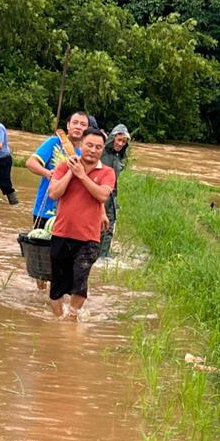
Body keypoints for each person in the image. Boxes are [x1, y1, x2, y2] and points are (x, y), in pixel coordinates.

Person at [47, 128, 115, 318]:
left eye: (98, 147)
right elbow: (53, 194)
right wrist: (72, 172)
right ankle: (58, 321)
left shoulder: (107, 172)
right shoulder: (63, 166)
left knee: (80, 282)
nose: (93, 150)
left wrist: (83, 175)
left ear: (103, 150)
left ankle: (72, 319)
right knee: (57, 287)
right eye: (89, 145)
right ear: (81, 145)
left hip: (88, 239)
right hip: (61, 233)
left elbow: (102, 195)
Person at [25, 111, 89, 289]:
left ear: (87, 128)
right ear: (68, 125)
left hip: (71, 213)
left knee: (65, 257)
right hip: (46, 208)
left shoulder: (87, 151)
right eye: (75, 123)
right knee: (42, 255)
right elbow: (31, 163)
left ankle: (56, 294)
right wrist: (48, 173)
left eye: (82, 124)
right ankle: (41, 292)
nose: (78, 127)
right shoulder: (55, 143)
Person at [98, 124, 131, 259]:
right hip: (99, 194)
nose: (121, 144)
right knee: (99, 226)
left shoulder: (118, 155)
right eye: (119, 140)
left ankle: (103, 256)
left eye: (123, 142)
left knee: (109, 227)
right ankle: (98, 255)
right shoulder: (101, 152)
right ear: (113, 138)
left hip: (112, 196)